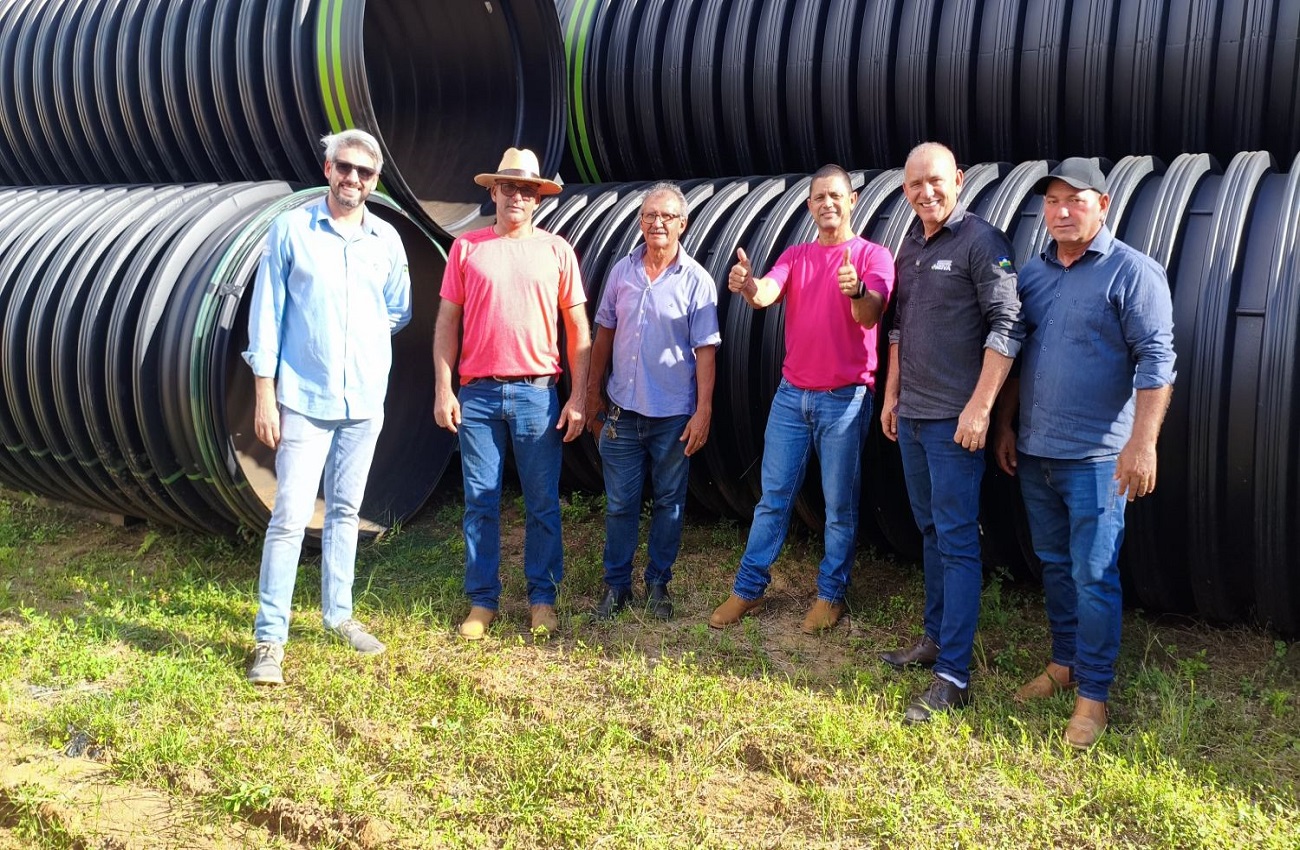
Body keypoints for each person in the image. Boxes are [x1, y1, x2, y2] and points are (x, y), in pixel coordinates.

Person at [992, 158, 1176, 749]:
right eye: (1052, 202)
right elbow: (1017, 354)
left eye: (1075, 200)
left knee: (1094, 575)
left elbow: (1157, 362)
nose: (1062, 211)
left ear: (1103, 205)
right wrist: (1005, 424)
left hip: (1099, 459)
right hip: (1037, 452)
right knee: (1053, 564)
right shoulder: (1034, 275)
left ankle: (1093, 696)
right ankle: (1064, 662)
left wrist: (1142, 444)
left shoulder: (1132, 272)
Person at [244, 128, 411, 686]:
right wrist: (265, 393)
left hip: (364, 401)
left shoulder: (386, 241)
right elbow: (267, 316)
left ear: (374, 181)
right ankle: (271, 638)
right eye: (345, 168)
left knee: (345, 511)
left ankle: (338, 616)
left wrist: (358, 345)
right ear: (327, 169)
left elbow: (397, 310)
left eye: (365, 173)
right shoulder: (290, 230)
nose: (354, 180)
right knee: (290, 517)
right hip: (305, 401)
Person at [709, 164, 894, 634]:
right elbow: (767, 292)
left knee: (839, 505)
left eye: (835, 195)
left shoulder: (874, 256)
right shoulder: (797, 254)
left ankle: (831, 596)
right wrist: (750, 285)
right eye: (818, 198)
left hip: (845, 400)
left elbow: (872, 315)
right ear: (809, 206)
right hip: (792, 397)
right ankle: (747, 590)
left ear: (852, 200)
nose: (826, 203)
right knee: (773, 498)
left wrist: (857, 292)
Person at [878, 143, 1024, 723]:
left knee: (959, 542)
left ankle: (953, 677)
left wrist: (981, 408)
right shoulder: (910, 244)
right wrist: (891, 396)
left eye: (934, 181)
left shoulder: (983, 243)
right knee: (932, 530)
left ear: (958, 180)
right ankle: (934, 639)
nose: (924, 192)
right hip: (912, 415)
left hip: (955, 424)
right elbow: (898, 328)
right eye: (914, 185)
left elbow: (1009, 324)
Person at [433, 147, 590, 641]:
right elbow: (446, 323)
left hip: (537, 395)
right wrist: (443, 388)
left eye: (527, 189)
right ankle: (483, 602)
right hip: (477, 396)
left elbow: (578, 329)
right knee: (481, 501)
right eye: (509, 187)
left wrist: (579, 396)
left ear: (538, 198)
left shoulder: (557, 251)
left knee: (542, 502)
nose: (517, 196)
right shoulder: (466, 249)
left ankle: (541, 599)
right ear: (493, 192)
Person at [585, 182, 720, 621]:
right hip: (622, 411)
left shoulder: (697, 281)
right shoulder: (622, 272)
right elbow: (603, 332)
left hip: (672, 418)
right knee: (621, 503)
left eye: (665, 216)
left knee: (669, 502)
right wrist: (591, 395)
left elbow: (705, 350)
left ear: (682, 223)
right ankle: (616, 587)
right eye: (648, 216)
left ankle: (658, 583)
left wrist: (703, 411)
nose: (656, 223)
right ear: (640, 222)